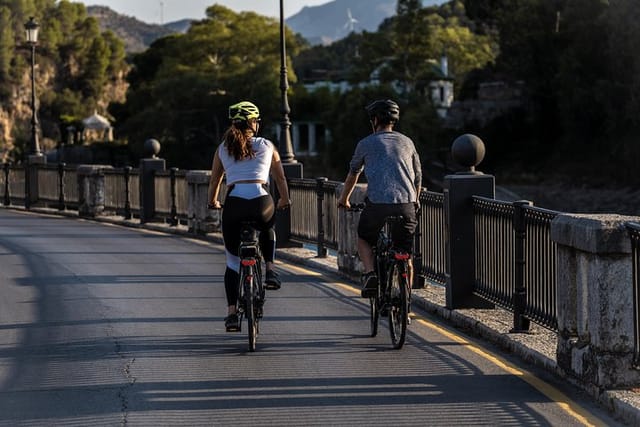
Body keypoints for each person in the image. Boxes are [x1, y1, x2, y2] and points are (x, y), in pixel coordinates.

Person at [208, 101, 290, 332]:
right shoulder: (267, 145)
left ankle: (232, 314)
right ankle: (271, 270)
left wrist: (213, 201)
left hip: (234, 204)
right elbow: (280, 178)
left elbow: (215, 180)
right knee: (267, 227)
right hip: (261, 200)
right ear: (253, 123)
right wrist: (284, 199)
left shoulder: (223, 148)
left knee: (233, 262)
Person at [337, 99, 422, 298]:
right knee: (405, 253)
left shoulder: (365, 143)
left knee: (364, 238)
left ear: (374, 120)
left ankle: (371, 273)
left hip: (378, 206)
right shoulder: (407, 142)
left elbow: (353, 174)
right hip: (406, 205)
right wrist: (415, 200)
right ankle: (405, 302)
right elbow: (418, 177)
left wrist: (344, 199)